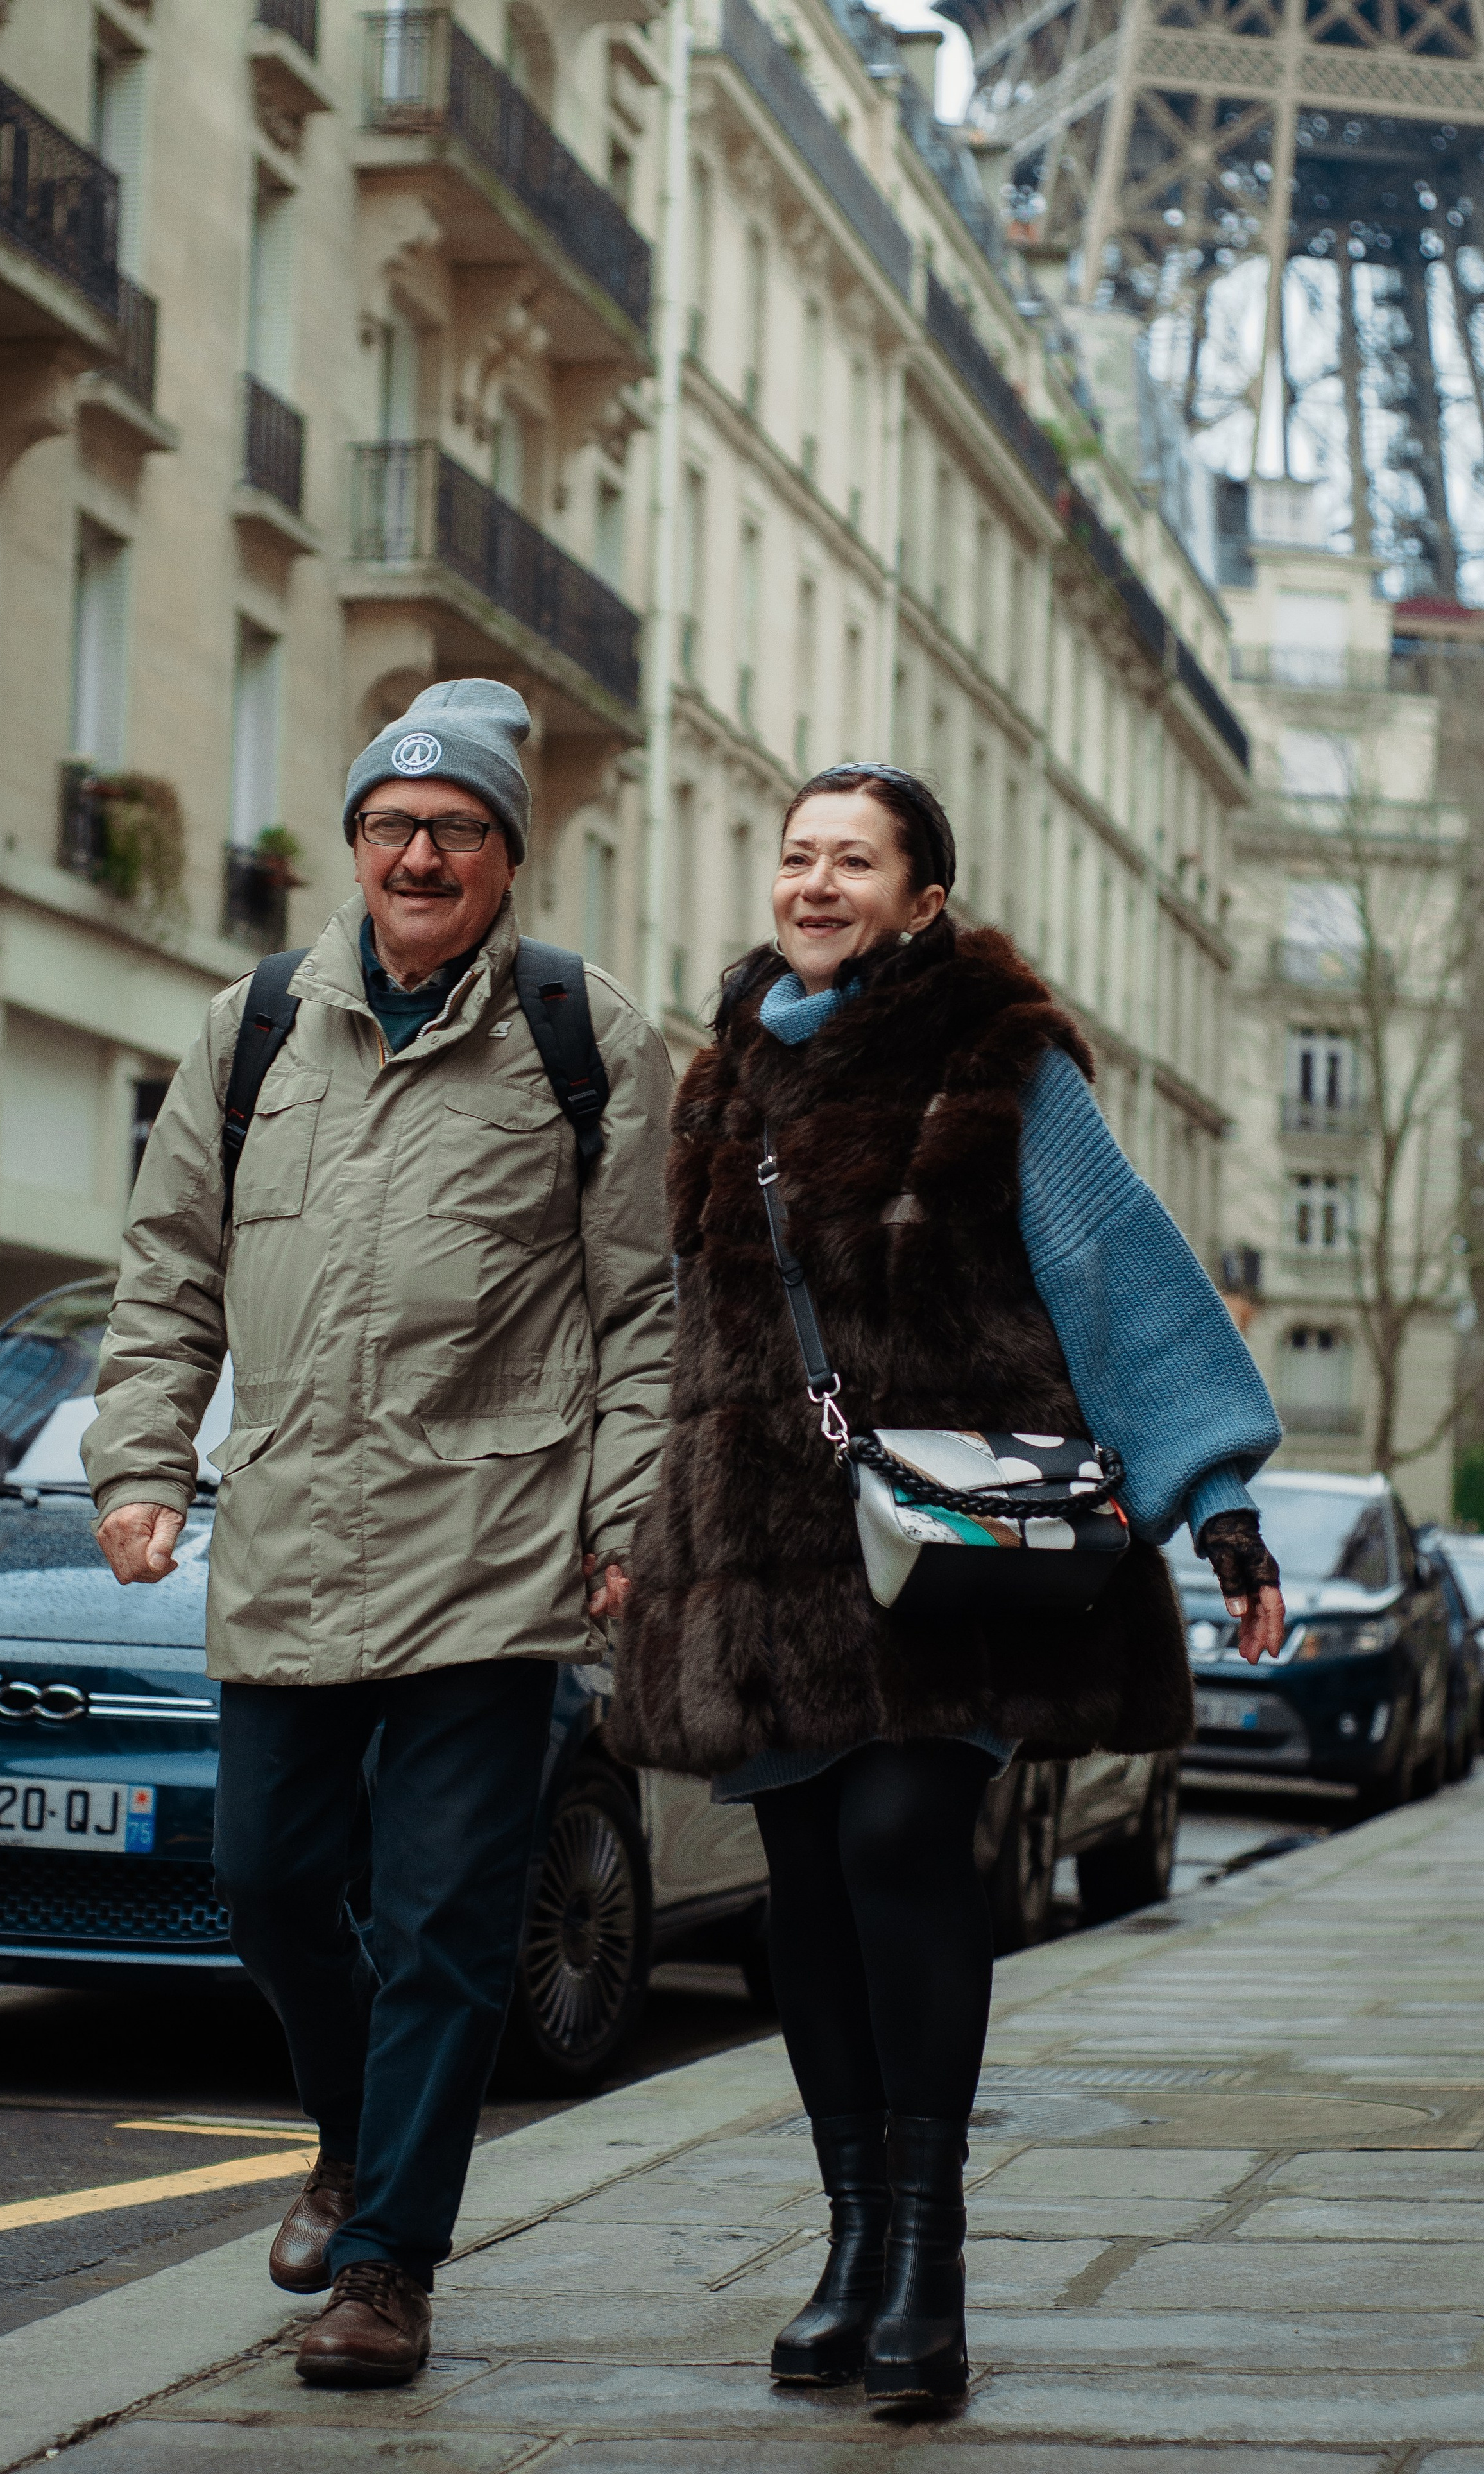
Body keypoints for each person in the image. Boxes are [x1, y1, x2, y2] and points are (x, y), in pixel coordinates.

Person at [606, 762, 1284, 2409]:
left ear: (922, 897)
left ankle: (928, 2255)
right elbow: (680, 1328)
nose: (813, 883)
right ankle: (850, 2242)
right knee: (804, 1884)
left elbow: (1119, 1278)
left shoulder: (999, 1059)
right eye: (797, 855)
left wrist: (1219, 1515)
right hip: (763, 1553)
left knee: (900, 1838)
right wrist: (638, 1525)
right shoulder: (722, 1077)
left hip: (946, 1550)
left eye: (853, 860)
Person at [84, 680, 671, 2389]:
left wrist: (625, 1514)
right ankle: (351, 2142)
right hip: (291, 1527)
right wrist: (140, 1464)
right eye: (394, 825)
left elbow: (644, 1309)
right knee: (268, 1882)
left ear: (506, 857)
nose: (422, 854)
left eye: (457, 828)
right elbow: (168, 1270)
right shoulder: (253, 1025)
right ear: (353, 845)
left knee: (444, 1924)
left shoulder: (582, 1035)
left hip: (497, 1547)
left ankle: (387, 2265)